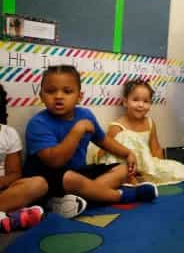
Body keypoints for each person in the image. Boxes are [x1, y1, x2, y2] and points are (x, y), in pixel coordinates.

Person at [24, 65, 158, 219]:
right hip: (48, 178)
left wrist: (128, 153)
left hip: (78, 173)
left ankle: (72, 200)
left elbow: (103, 140)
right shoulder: (38, 123)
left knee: (122, 169)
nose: (58, 96)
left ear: (79, 96)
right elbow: (55, 161)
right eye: (51, 91)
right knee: (71, 179)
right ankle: (121, 196)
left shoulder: (85, 114)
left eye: (67, 91)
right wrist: (76, 131)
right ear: (41, 96)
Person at [92, 79, 184, 186]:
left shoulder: (150, 123)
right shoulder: (117, 126)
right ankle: (128, 177)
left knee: (179, 169)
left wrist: (159, 167)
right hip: (124, 165)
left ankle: (142, 178)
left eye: (145, 101)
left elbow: (155, 149)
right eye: (135, 100)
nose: (140, 105)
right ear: (125, 102)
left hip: (145, 166)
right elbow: (105, 150)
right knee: (126, 137)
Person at [0, 84, 46, 233]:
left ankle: (6, 215)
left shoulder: (8, 133)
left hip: (4, 192)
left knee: (38, 184)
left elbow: (15, 174)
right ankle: (13, 217)